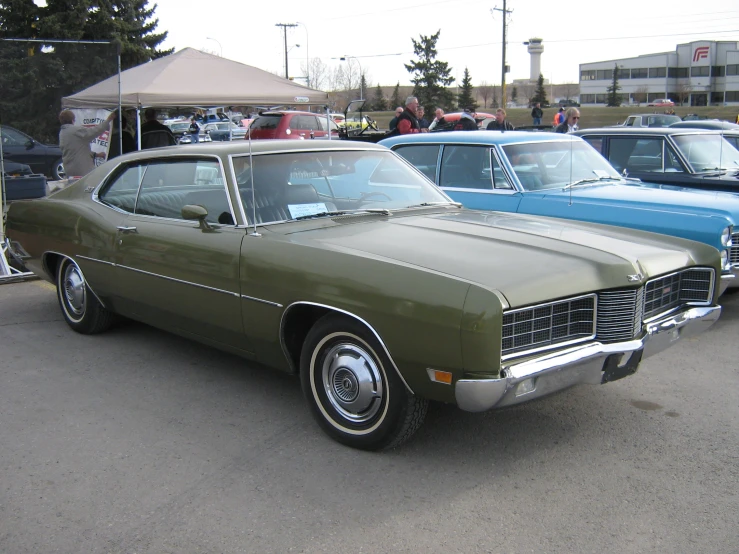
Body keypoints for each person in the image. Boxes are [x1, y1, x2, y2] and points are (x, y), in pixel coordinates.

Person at [58, 109, 115, 179]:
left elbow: (77, 150)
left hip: (69, 169)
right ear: (72, 120)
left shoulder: (62, 133)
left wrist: (96, 155)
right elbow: (94, 131)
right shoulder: (75, 130)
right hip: (81, 169)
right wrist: (108, 121)